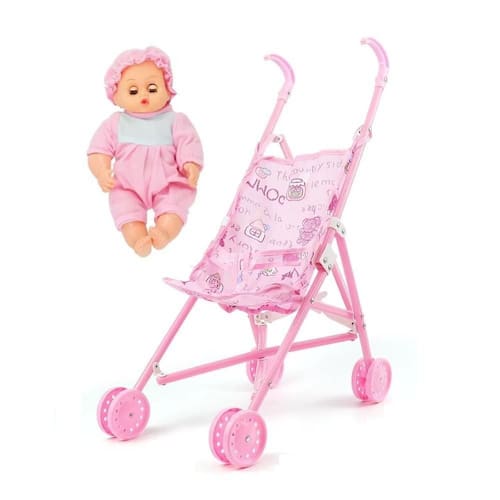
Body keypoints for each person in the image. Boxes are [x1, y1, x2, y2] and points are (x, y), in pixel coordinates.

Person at [88, 47, 203, 256]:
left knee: (174, 206)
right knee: (126, 211)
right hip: (127, 185)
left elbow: (189, 143)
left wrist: (190, 164)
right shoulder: (115, 123)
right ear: (116, 96)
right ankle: (137, 239)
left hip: (168, 182)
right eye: (133, 91)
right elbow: (98, 150)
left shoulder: (176, 120)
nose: (143, 95)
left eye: (152, 88)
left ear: (167, 89)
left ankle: (164, 232)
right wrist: (101, 172)